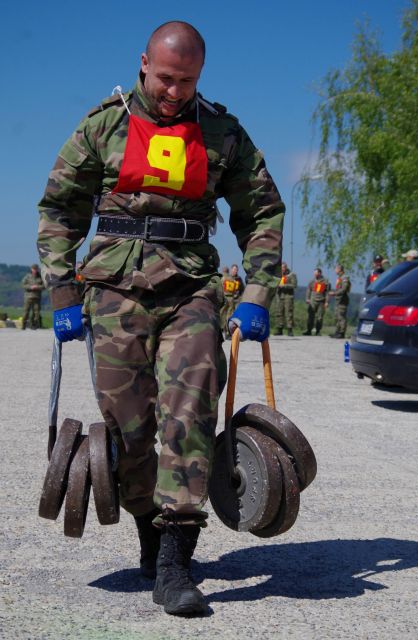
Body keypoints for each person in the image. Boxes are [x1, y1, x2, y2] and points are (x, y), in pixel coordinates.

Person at [37, 21, 284, 616]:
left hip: (190, 288)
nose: (175, 92)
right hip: (114, 290)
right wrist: (63, 293)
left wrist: (256, 293)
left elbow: (262, 211)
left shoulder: (222, 132)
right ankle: (148, 527)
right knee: (128, 424)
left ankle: (176, 556)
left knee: (190, 406)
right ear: (144, 63)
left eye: (188, 81)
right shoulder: (103, 126)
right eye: (167, 78)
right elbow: (59, 209)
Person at [303, 268, 330, 336]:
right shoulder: (312, 281)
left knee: (320, 317)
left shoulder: (326, 281)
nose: (315, 274)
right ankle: (309, 330)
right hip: (313, 301)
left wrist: (327, 302)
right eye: (314, 273)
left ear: (320, 273)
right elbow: (308, 290)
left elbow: (327, 292)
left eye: (316, 273)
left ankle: (318, 331)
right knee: (310, 316)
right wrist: (307, 298)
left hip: (321, 301)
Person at [273, 261, 297, 336]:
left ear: (286, 268)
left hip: (288, 296)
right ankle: (279, 329)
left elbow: (294, 285)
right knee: (279, 313)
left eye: (283, 268)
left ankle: (290, 330)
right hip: (279, 296)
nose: (282, 269)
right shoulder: (278, 275)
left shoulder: (291, 275)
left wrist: (284, 286)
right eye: (281, 268)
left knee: (288, 313)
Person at [221, 264, 245, 338]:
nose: (235, 271)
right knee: (227, 315)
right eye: (234, 269)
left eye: (236, 270)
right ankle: (227, 331)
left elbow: (242, 289)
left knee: (227, 315)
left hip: (234, 300)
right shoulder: (231, 279)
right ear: (231, 270)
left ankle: (228, 331)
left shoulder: (238, 279)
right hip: (230, 299)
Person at [328, 264, 350, 338]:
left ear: (339, 269)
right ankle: (337, 332)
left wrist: (334, 293)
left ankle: (342, 333)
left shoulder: (344, 278)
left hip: (342, 300)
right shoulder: (340, 278)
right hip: (338, 300)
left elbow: (344, 289)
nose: (335, 271)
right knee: (337, 316)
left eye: (336, 269)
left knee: (341, 316)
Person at [21, 264, 44, 330]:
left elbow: (44, 285)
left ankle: (34, 325)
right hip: (28, 297)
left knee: (36, 312)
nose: (35, 270)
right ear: (31, 269)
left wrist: (37, 287)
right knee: (26, 312)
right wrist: (30, 287)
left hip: (37, 297)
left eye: (36, 269)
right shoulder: (27, 276)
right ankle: (23, 325)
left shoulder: (40, 277)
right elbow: (23, 285)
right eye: (33, 269)